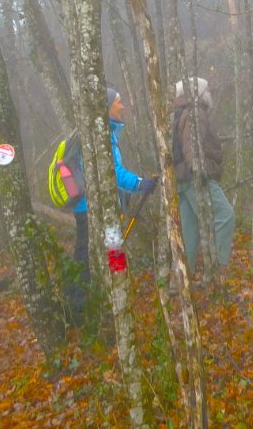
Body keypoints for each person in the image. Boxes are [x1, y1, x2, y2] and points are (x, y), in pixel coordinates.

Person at [68, 89, 158, 317]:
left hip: (92, 207)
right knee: (103, 249)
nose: (122, 106)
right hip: (92, 208)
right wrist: (139, 183)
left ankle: (105, 295)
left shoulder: (102, 133)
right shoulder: (101, 136)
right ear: (107, 107)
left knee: (101, 249)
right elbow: (112, 172)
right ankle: (82, 305)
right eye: (118, 102)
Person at [171, 77, 236, 273]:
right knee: (225, 215)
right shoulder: (195, 113)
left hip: (182, 179)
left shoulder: (180, 112)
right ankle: (218, 270)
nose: (209, 93)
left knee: (189, 232)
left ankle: (181, 278)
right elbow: (191, 146)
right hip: (195, 177)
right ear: (198, 93)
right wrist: (199, 171)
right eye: (206, 90)